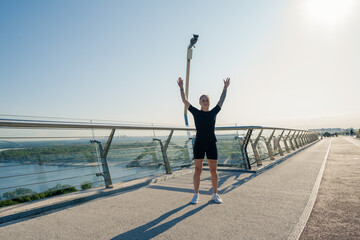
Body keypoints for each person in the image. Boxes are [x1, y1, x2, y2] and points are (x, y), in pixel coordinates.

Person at [177, 77, 230, 204]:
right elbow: (184, 100)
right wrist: (181, 88)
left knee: (213, 170)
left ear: (209, 102)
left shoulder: (213, 112)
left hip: (211, 143)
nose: (205, 102)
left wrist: (225, 88)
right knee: (198, 170)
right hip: (199, 144)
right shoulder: (196, 112)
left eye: (207, 100)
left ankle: (215, 194)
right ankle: (196, 195)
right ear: (200, 103)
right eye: (203, 100)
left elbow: (222, 100)